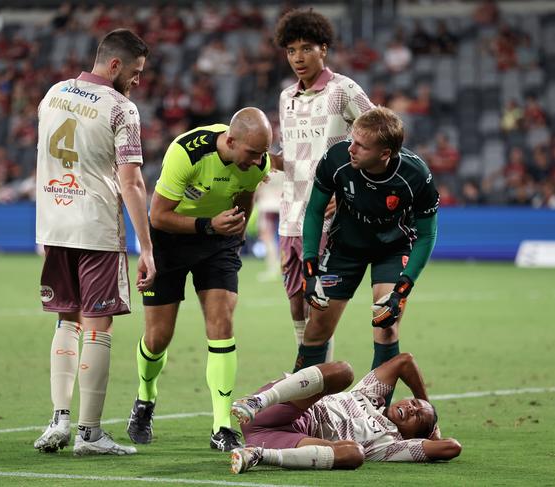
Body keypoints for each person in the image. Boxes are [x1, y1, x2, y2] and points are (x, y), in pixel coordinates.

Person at [33, 29, 156, 456]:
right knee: (98, 327)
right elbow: (132, 181)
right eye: (136, 72)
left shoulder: (53, 94)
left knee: (66, 320)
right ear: (116, 65)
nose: (138, 81)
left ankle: (58, 422)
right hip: (96, 227)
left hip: (54, 224)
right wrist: (147, 246)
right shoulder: (121, 109)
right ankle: (89, 433)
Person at [126, 107, 272, 452]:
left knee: (222, 323)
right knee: (158, 337)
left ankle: (221, 425)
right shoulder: (186, 153)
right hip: (171, 240)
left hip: (217, 243)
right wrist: (208, 225)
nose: (258, 161)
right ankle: (145, 399)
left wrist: (235, 235)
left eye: (263, 154)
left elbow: (245, 197)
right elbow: (158, 216)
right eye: (252, 153)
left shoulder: (257, 163)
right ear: (231, 140)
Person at [295, 107, 439, 406]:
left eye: (361, 145)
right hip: (344, 249)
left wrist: (402, 290)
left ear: (385, 153)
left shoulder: (416, 176)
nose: (351, 148)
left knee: (385, 324)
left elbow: (426, 235)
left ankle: (373, 414)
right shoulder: (336, 160)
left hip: (393, 249)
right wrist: (310, 269)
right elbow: (314, 212)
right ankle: (298, 409)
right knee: (317, 327)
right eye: (352, 140)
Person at [269, 8, 374, 362]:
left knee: (320, 305)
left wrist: (348, 192)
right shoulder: (286, 98)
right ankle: (309, 376)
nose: (298, 57)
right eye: (291, 50)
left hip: (329, 218)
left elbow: (383, 137)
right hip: (290, 216)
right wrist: (262, 159)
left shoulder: (344, 90)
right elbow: (289, 156)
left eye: (306, 48)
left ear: (323, 49)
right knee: (296, 303)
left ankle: (314, 380)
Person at [230, 353, 461, 473]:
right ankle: (257, 400)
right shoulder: (369, 394)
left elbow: (452, 447)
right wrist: (425, 403)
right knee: (343, 371)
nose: (412, 408)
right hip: (273, 410)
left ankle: (258, 455)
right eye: (413, 402)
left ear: (415, 435)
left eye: (417, 416)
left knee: (355, 454)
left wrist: (434, 433)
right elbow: (405, 361)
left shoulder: (393, 443)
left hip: (284, 441)